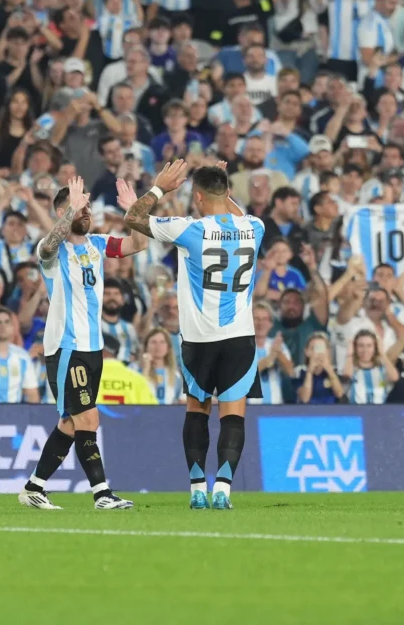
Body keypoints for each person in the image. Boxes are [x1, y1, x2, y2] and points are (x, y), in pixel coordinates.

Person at [124, 159, 265, 510]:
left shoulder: (188, 229)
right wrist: (222, 184)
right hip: (239, 338)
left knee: (197, 410)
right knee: (233, 413)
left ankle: (198, 488)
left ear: (197, 197)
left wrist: (160, 188)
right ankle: (224, 491)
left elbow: (133, 218)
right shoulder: (255, 226)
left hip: (198, 340)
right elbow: (231, 210)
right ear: (228, 191)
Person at [19, 174, 149, 511]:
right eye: (80, 208)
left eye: (88, 206)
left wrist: (134, 211)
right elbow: (47, 245)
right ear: (63, 210)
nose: (87, 211)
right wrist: (68, 213)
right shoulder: (52, 250)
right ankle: (102, 494)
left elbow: (139, 245)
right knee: (88, 419)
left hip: (93, 349)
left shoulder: (98, 244)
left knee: (70, 422)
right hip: (66, 347)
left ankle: (34, 487)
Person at [95, 332, 156, 405]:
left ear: (103, 351)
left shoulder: (85, 379)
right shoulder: (137, 379)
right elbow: (152, 411)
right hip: (132, 416)